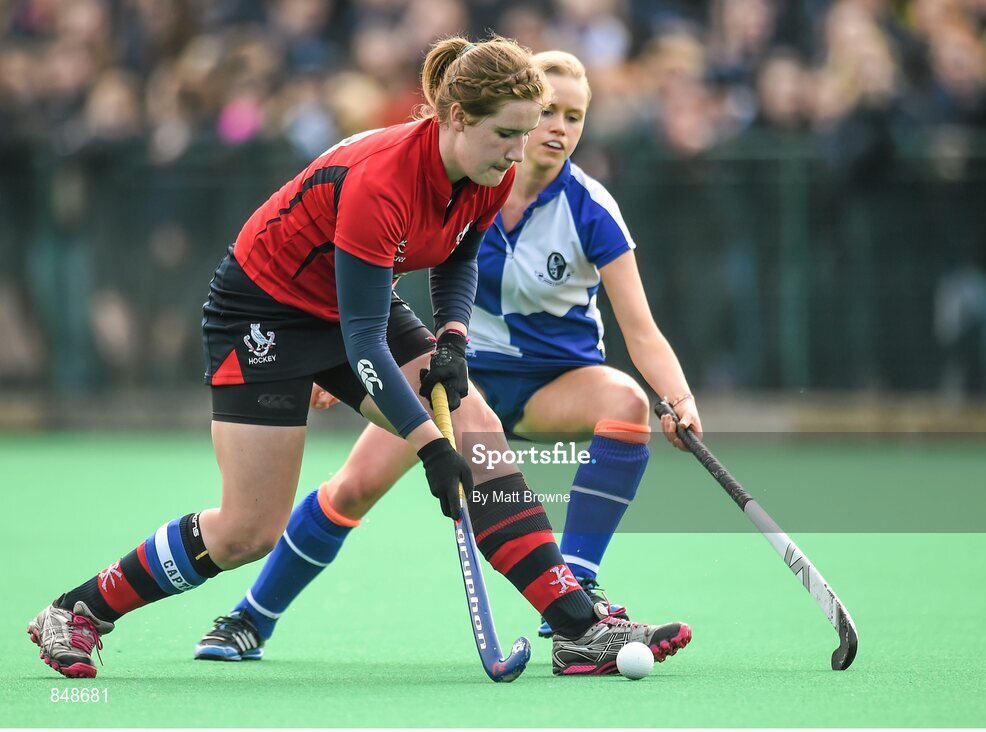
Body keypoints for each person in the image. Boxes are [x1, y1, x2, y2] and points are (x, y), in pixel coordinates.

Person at [28, 37, 692, 680]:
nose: (520, 150)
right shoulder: (383, 180)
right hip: (264, 311)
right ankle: (79, 610)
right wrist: (431, 446)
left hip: (350, 305)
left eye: (528, 132)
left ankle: (579, 630)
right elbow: (362, 343)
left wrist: (454, 337)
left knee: (481, 429)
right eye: (507, 134)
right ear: (456, 118)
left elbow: (459, 251)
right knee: (246, 530)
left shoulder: (492, 166)